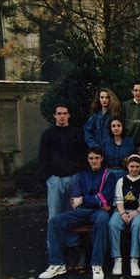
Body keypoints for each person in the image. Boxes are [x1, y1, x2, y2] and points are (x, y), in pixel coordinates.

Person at [39, 147, 116, 279]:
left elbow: (105, 198)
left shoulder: (109, 175)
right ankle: (57, 264)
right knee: (55, 221)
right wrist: (94, 200)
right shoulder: (81, 175)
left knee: (102, 220)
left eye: (97, 158)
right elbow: (75, 199)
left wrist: (85, 199)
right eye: (91, 158)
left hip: (99, 213)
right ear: (87, 159)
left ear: (102, 159)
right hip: (81, 212)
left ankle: (97, 264)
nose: (94, 161)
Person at [39, 104, 86, 247]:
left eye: (65, 113)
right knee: (54, 214)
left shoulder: (76, 133)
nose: (62, 116)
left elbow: (83, 155)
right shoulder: (48, 134)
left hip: (73, 178)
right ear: (54, 115)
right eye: (59, 113)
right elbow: (43, 158)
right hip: (55, 180)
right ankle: (53, 243)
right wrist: (49, 177)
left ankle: (71, 242)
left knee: (71, 213)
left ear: (69, 115)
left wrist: (79, 176)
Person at [108, 155, 140, 277]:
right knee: (113, 224)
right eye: (132, 166)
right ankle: (117, 259)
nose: (134, 169)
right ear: (127, 166)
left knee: (137, 226)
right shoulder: (121, 181)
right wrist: (123, 213)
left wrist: (135, 213)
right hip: (122, 210)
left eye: (137, 166)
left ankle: (134, 259)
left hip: (138, 211)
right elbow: (119, 200)